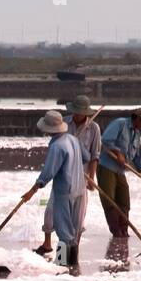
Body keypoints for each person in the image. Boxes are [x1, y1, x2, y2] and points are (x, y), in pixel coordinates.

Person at [36, 95, 102, 256]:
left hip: (79, 179)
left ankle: (69, 256)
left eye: (81, 113)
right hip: (64, 180)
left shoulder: (93, 128)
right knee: (53, 213)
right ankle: (59, 253)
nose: (78, 115)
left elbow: (94, 156)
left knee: (75, 220)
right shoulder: (63, 125)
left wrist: (91, 177)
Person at [22, 110, 86, 266]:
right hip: (80, 189)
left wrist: (33, 190)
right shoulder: (72, 139)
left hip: (65, 192)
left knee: (64, 231)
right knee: (73, 231)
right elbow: (85, 158)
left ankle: (63, 263)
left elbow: (48, 171)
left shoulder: (57, 146)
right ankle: (73, 263)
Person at [96, 107, 141, 237]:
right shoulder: (120, 123)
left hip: (120, 171)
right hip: (106, 168)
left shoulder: (136, 134)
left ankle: (124, 232)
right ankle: (117, 234)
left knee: (124, 202)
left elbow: (138, 157)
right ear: (138, 119)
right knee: (110, 202)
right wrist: (118, 153)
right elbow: (105, 140)